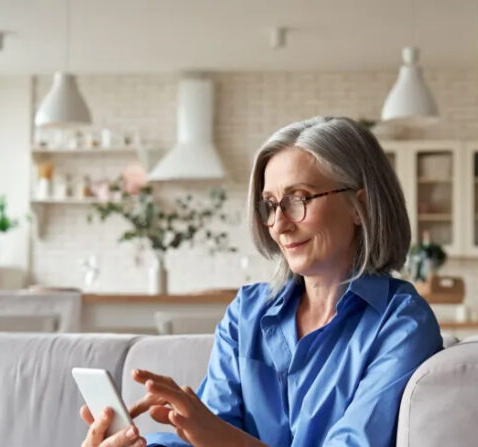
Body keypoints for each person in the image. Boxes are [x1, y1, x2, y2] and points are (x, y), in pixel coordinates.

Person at [79, 116, 443, 447]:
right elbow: (206, 435)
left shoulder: (401, 324)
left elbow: (216, 435)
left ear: (357, 206)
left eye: (299, 198)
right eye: (270, 204)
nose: (279, 224)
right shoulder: (247, 313)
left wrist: (213, 434)